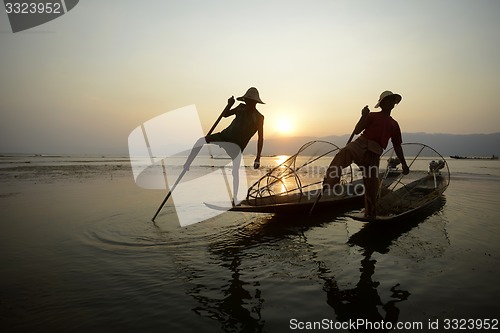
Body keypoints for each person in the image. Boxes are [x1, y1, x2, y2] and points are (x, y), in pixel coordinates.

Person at [323, 90, 410, 218]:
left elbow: (397, 146)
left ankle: (370, 212)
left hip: (374, 153)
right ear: (382, 103)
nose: (391, 103)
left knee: (372, 186)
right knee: (344, 153)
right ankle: (330, 183)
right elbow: (357, 130)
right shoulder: (373, 116)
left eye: (392, 101)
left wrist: (404, 164)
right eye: (388, 100)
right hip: (361, 144)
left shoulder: (394, 124)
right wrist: (363, 116)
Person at [184, 87, 265, 204]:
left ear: (255, 102)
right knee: (201, 141)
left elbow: (260, 138)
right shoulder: (240, 108)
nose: (248, 103)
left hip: (237, 146)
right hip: (225, 136)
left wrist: (258, 158)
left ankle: (235, 198)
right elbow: (225, 115)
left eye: (251, 101)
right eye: (247, 100)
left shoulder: (259, 118)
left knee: (235, 172)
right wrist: (229, 105)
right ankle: (187, 164)